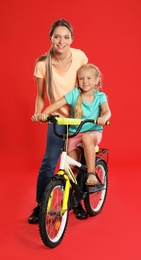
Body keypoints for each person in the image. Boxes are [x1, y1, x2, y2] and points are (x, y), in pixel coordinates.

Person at [28, 18, 88, 224]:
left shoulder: (80, 56)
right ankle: (40, 205)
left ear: (71, 39)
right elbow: (40, 95)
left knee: (75, 161)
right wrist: (39, 113)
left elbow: (87, 82)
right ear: (51, 38)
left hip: (79, 117)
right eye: (57, 37)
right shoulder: (42, 64)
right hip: (59, 118)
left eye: (66, 37)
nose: (61, 41)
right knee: (49, 162)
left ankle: (75, 201)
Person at [36, 63, 111, 216]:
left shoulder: (99, 96)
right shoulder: (75, 94)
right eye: (81, 79)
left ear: (97, 80)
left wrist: (103, 118)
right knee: (72, 170)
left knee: (87, 137)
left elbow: (107, 111)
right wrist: (44, 114)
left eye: (89, 78)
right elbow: (57, 104)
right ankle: (72, 201)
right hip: (74, 134)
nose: (85, 82)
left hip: (92, 132)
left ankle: (91, 174)